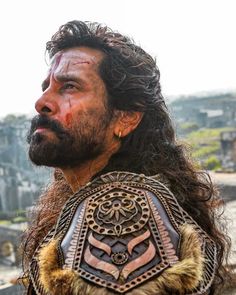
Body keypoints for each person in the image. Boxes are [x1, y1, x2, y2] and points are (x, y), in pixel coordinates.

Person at [22, 20, 230, 295]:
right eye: (46, 86)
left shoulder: (126, 215)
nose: (42, 102)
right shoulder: (88, 201)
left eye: (69, 86)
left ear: (126, 117)